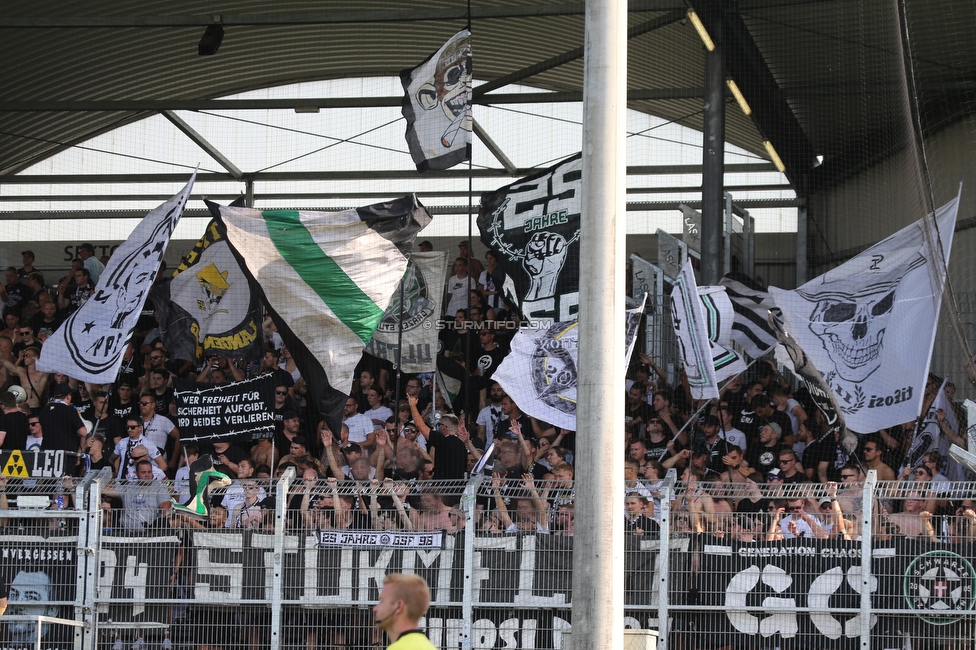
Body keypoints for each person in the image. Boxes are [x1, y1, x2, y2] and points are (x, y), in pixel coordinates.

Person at [373, 573, 437, 650]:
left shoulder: (397, 648)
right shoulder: (429, 647)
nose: (375, 608)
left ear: (399, 606)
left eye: (382, 601)